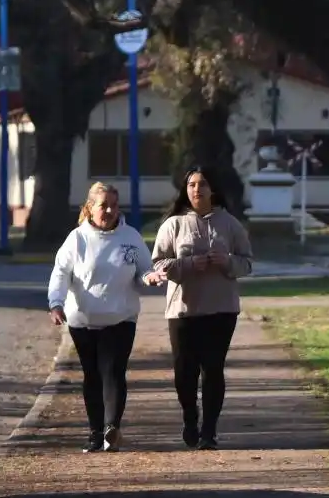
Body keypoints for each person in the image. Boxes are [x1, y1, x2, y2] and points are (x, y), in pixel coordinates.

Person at [48, 182, 166, 453]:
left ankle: (112, 427)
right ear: (90, 208)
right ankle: (94, 432)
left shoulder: (130, 236)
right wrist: (56, 303)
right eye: (104, 205)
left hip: (121, 317)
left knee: (113, 371)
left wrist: (150, 277)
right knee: (92, 375)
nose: (110, 210)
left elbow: (144, 268)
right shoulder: (76, 239)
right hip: (83, 320)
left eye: (114, 205)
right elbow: (60, 273)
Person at [151, 166, 253, 450]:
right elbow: (158, 263)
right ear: (186, 190)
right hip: (183, 310)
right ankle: (189, 417)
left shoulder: (230, 223)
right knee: (185, 372)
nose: (197, 189)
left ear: (213, 190)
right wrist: (185, 265)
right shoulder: (173, 225)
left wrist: (227, 262)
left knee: (213, 370)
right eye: (192, 185)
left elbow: (247, 262)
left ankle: (209, 431)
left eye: (203, 184)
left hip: (221, 309)